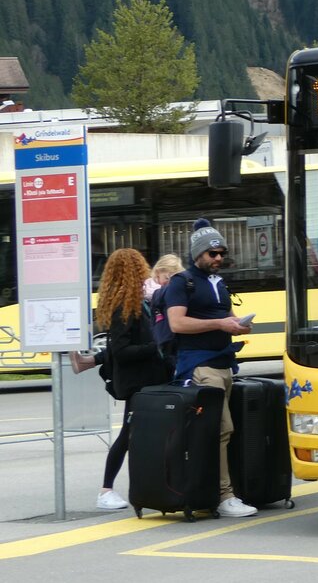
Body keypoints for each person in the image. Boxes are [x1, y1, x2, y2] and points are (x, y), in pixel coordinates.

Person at [164, 218, 256, 518]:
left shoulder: (218, 282)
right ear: (197, 254)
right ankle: (223, 496)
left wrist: (238, 325)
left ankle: (214, 492)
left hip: (224, 364)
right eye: (211, 254)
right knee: (221, 430)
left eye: (221, 253)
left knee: (221, 431)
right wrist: (220, 323)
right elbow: (177, 323)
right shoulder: (182, 282)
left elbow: (226, 316)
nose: (218, 258)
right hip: (200, 365)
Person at [91, 248, 173, 511]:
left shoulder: (139, 303)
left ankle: (146, 486)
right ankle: (106, 490)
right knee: (128, 435)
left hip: (147, 381)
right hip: (138, 384)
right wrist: (156, 346)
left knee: (138, 436)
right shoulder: (125, 308)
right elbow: (122, 351)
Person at [70, 252, 183, 375]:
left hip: (141, 373)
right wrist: (157, 345)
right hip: (146, 376)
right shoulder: (136, 303)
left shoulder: (129, 301)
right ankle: (89, 361)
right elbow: (121, 350)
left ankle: (89, 361)